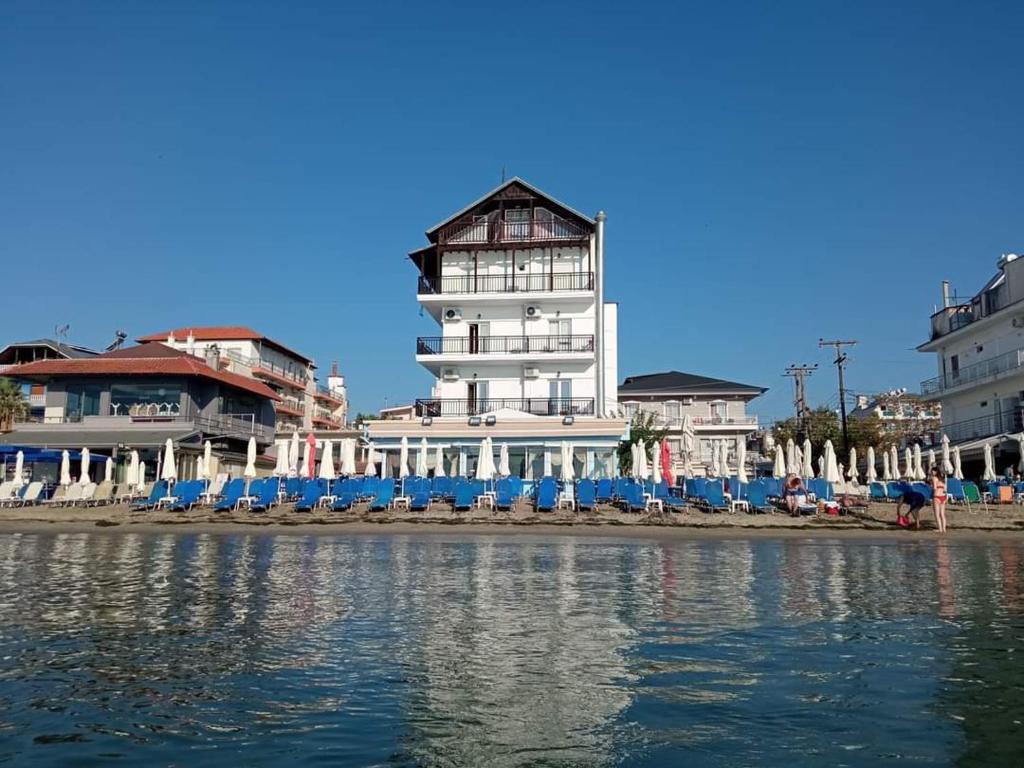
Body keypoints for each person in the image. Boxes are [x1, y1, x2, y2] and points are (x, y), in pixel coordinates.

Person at [930, 467, 948, 533]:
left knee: (937, 514)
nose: (932, 473)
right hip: (943, 497)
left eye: (933, 471)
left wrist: (931, 486)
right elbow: (945, 490)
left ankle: (940, 529)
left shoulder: (934, 478)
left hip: (936, 496)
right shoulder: (942, 479)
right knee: (942, 514)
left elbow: (934, 488)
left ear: (936, 472)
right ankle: (944, 529)